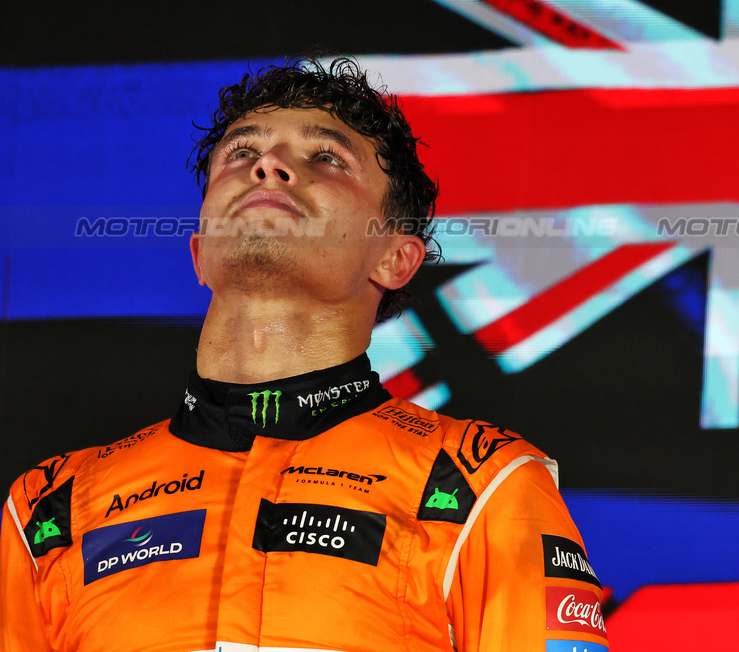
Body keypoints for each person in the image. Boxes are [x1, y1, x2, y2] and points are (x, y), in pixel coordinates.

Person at [0, 57, 608, 652]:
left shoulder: (483, 487)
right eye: (242, 153)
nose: (267, 166)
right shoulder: (49, 509)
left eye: (326, 158)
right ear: (200, 252)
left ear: (394, 259)